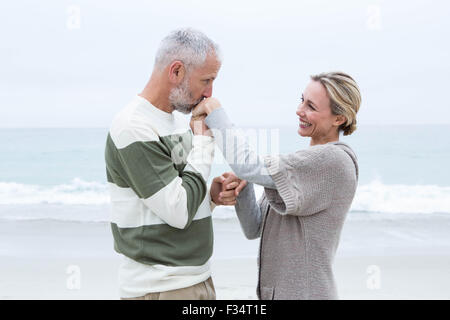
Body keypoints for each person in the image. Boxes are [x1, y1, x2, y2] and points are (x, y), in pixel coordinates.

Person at [192, 71, 361, 299]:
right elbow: (254, 227)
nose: (299, 110)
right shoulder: (303, 164)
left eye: (311, 106)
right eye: (302, 100)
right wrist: (245, 186)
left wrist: (215, 111)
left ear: (338, 119)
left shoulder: (334, 161)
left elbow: (247, 165)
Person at [104, 28, 244, 300]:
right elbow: (178, 211)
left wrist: (209, 197)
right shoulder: (133, 126)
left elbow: (179, 195)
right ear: (176, 71)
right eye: (206, 80)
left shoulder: (178, 121)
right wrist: (203, 143)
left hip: (196, 280)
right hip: (160, 288)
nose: (209, 92)